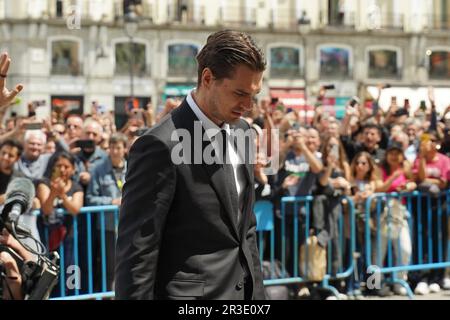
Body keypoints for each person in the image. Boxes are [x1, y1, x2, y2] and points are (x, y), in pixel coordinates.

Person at [115, 30, 267, 300]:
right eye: (240, 93)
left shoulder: (243, 132)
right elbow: (138, 253)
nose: (248, 105)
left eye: (254, 94)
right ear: (208, 78)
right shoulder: (160, 145)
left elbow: (246, 230)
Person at [86, 133, 128, 291]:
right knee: (109, 266)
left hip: (128, 224)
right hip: (108, 227)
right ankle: (109, 294)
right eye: (112, 147)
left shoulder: (132, 166)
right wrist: (111, 202)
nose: (115, 151)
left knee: (127, 263)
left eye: (118, 147)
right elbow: (90, 198)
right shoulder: (98, 169)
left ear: (124, 149)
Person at [0, 139, 22, 204]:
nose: (5, 157)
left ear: (17, 158)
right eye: (3, 153)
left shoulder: (20, 179)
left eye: (10, 155)